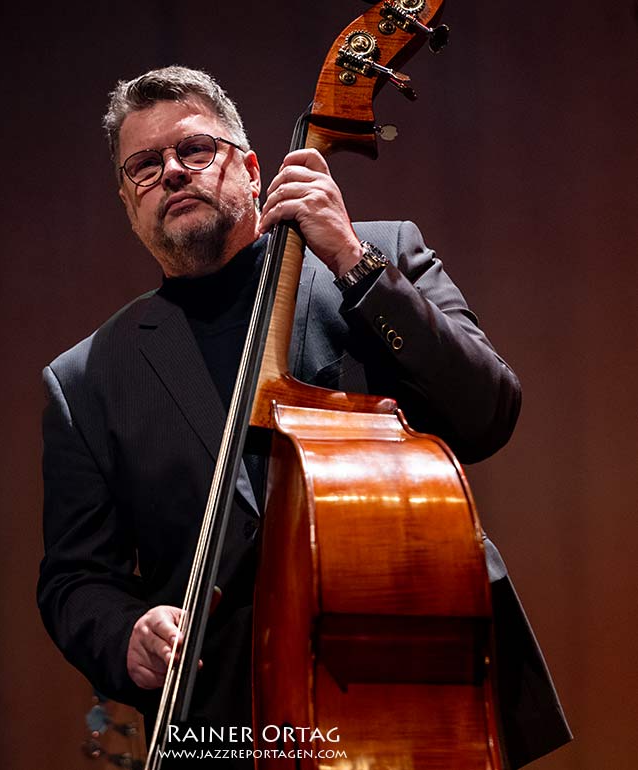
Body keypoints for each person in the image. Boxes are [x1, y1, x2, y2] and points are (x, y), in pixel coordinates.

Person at [37, 66, 571, 768]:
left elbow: (487, 414)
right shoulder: (88, 379)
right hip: (228, 730)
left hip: (418, 694)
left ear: (253, 169)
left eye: (195, 149)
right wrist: (126, 633)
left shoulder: (378, 255)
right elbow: (73, 580)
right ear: (127, 203)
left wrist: (353, 261)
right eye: (144, 165)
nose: (171, 171)